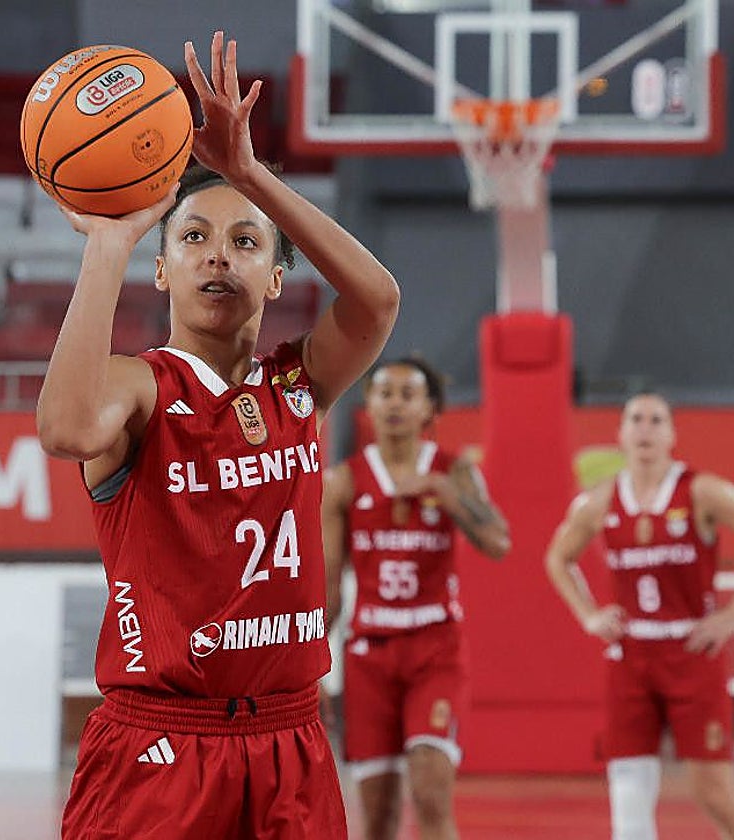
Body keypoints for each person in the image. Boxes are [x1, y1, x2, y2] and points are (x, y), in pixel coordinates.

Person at [38, 31, 400, 840]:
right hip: (160, 747)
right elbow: (63, 428)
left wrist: (248, 174)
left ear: (275, 277)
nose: (219, 258)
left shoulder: (295, 384)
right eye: (193, 237)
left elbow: (376, 302)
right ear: (162, 268)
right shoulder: (141, 387)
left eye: (246, 242)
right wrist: (108, 241)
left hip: (292, 744)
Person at [322, 357, 510, 840]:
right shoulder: (344, 481)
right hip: (369, 653)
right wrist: (315, 668)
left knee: (430, 788)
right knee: (378, 813)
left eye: (408, 394)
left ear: (430, 409)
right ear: (368, 403)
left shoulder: (454, 471)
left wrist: (444, 492)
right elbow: (326, 587)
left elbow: (499, 543)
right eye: (385, 392)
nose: (394, 404)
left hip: (434, 648)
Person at [545, 392, 734, 840]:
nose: (645, 428)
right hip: (631, 654)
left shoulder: (702, 490)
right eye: (636, 419)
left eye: (656, 420)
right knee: (628, 782)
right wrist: (588, 615)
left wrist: (729, 619)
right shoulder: (601, 502)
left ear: (672, 434)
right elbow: (557, 558)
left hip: (692, 650)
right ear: (622, 433)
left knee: (711, 785)